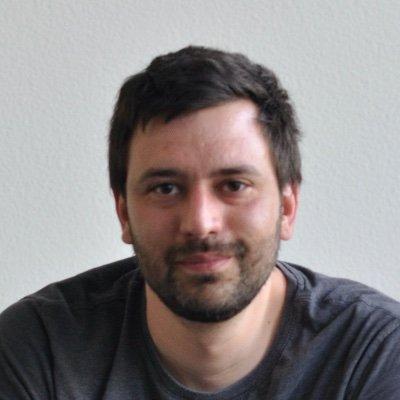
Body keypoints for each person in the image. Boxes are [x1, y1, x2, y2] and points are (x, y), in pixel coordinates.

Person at [1, 46, 399, 400]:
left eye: (234, 185)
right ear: (124, 213)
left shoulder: (374, 353)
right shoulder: (37, 350)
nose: (201, 223)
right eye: (166, 188)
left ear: (287, 208)